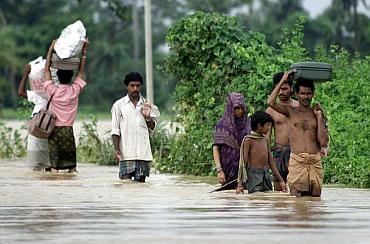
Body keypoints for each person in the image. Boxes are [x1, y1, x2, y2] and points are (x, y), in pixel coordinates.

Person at [267, 72, 329, 197]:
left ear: (312, 95)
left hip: (314, 162)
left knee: (315, 201)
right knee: (296, 200)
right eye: (302, 93)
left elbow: (323, 142)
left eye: (308, 93)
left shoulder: (316, 114)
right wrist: (284, 79)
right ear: (296, 94)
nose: (305, 97)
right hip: (297, 161)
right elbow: (271, 102)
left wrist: (319, 118)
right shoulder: (290, 112)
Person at [36, 39, 89, 173]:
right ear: (72, 76)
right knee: (72, 168)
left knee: (54, 167)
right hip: (68, 131)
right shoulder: (75, 90)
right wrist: (84, 51)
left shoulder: (52, 90)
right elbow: (81, 71)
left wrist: (50, 49)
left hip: (54, 131)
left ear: (57, 76)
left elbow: (47, 69)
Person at [111, 72, 160, 182]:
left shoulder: (147, 105)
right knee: (125, 185)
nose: (135, 89)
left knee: (141, 188)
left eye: (138, 85)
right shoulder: (119, 105)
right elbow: (115, 130)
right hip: (126, 154)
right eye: (132, 85)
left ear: (141, 86)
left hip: (143, 154)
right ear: (127, 86)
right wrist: (117, 149)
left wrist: (147, 117)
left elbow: (152, 128)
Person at [236, 111, 287, 194]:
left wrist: (281, 181)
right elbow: (243, 163)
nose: (269, 128)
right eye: (268, 125)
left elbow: (271, 162)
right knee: (255, 198)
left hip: (266, 174)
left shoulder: (265, 140)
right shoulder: (249, 140)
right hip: (254, 175)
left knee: (267, 197)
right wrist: (240, 185)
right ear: (259, 126)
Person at [266, 72, 298, 191]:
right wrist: (267, 157)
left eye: (285, 89)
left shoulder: (298, 107)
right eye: (278, 89)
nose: (281, 92)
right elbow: (266, 138)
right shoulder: (271, 110)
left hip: (295, 152)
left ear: (291, 88)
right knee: (278, 193)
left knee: (296, 188)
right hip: (278, 152)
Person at [213, 93, 251, 190]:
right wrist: (219, 170)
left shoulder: (249, 123)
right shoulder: (222, 125)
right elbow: (216, 148)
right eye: (236, 108)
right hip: (227, 169)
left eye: (242, 108)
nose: (240, 111)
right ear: (230, 108)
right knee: (228, 199)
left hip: (245, 168)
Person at [18, 64, 50, 171]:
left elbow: (21, 92)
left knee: (36, 166)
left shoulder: (40, 96)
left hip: (36, 132)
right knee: (48, 165)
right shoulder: (56, 95)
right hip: (50, 132)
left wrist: (25, 74)